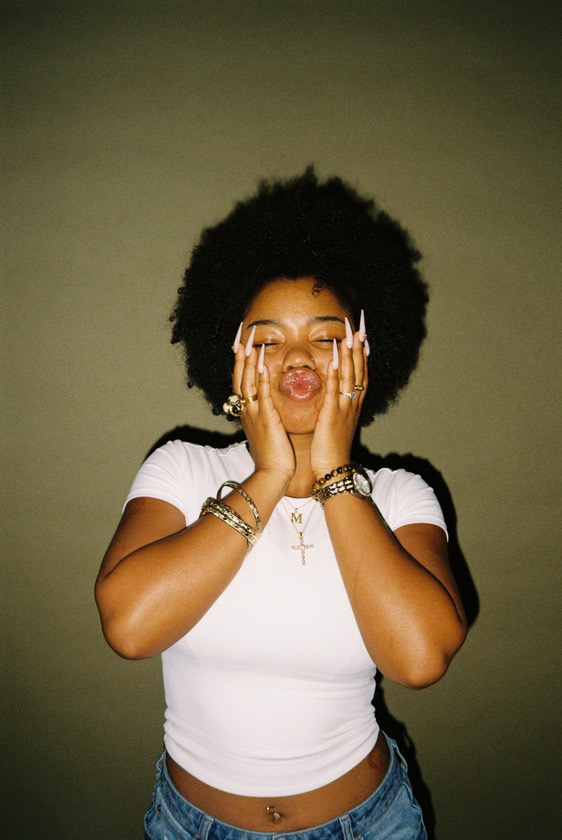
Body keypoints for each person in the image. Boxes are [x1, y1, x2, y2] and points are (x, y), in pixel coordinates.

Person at [95, 168, 467, 840]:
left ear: (362, 357)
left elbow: (419, 659)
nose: (297, 358)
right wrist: (269, 475)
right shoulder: (182, 469)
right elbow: (129, 627)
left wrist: (333, 474)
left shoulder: (400, 495)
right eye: (267, 341)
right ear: (234, 357)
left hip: (371, 824)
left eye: (326, 338)